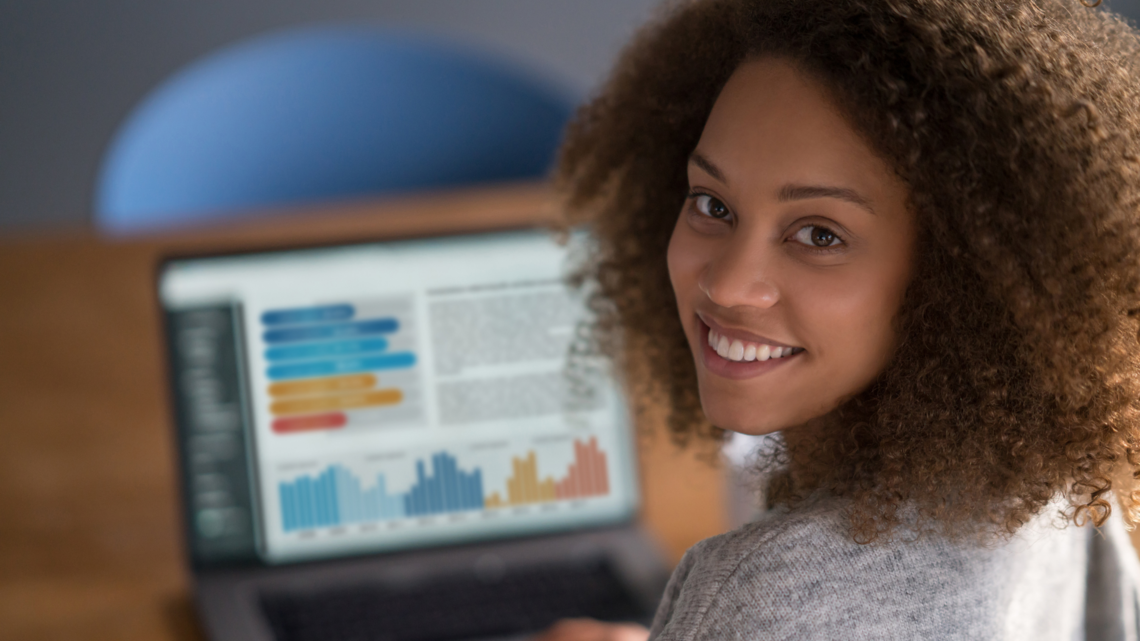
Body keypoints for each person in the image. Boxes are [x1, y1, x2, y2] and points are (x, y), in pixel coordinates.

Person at [538, 0, 1140, 638]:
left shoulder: (763, 596)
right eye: (712, 203)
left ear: (959, 276)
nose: (728, 283)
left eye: (820, 235)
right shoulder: (1058, 491)